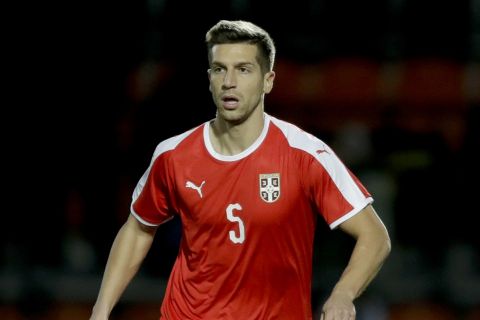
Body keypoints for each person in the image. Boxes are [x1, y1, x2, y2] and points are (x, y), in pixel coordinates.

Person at [90, 19, 391, 320]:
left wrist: (343, 294)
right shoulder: (174, 155)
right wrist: (100, 311)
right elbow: (139, 227)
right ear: (209, 79)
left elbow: (375, 236)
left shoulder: (305, 155)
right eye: (220, 69)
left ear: (268, 80)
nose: (229, 82)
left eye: (243, 69)